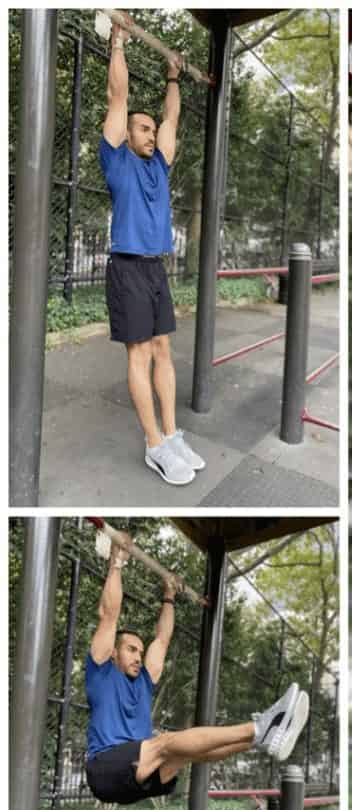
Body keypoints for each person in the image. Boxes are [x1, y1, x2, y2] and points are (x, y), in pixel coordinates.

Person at [85, 536, 309, 806]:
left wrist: (169, 596)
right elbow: (109, 615)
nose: (138, 657)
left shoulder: (144, 681)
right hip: (105, 769)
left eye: (140, 652)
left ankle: (261, 739)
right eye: (131, 649)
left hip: (137, 775)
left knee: (185, 752)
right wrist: (117, 562)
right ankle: (261, 726)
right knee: (166, 742)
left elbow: (163, 639)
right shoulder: (101, 673)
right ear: (113, 653)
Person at [101, 13, 204, 486]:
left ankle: (171, 433)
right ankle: (154, 444)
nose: (148, 132)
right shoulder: (117, 159)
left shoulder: (159, 166)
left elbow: (173, 117)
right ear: (127, 135)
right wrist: (118, 41)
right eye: (140, 128)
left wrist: (172, 73)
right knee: (139, 353)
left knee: (164, 348)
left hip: (155, 269)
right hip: (127, 268)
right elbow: (117, 97)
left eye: (148, 129)